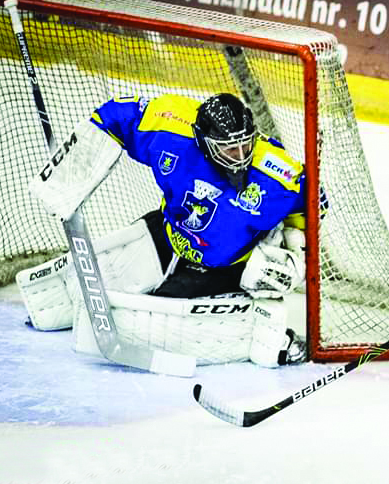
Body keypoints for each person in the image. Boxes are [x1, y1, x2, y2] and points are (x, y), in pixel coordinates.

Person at [16, 93, 312, 367]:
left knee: (146, 323)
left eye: (245, 144)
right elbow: (114, 114)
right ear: (203, 140)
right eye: (227, 148)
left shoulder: (275, 172)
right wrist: (72, 169)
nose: (239, 155)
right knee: (60, 293)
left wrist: (294, 249)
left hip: (221, 267)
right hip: (169, 234)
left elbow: (312, 201)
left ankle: (270, 336)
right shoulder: (171, 129)